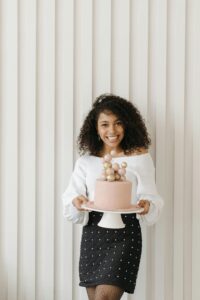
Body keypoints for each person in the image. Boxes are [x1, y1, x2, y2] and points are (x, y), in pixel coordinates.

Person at [62, 94, 164, 300]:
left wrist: (147, 205)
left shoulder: (139, 157)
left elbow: (153, 198)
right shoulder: (86, 161)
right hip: (93, 233)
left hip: (125, 235)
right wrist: (77, 201)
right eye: (105, 124)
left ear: (127, 125)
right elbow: (71, 195)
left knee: (104, 298)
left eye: (118, 123)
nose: (112, 130)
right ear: (96, 128)